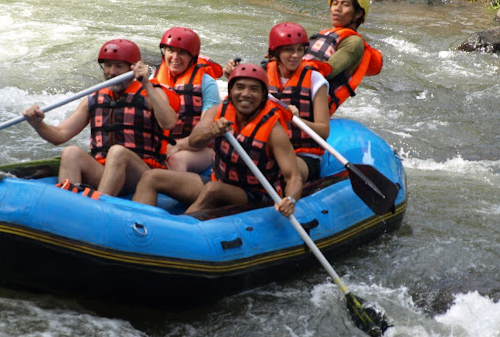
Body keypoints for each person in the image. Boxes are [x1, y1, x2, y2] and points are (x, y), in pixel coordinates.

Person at [133, 63, 303, 217]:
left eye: (254, 89)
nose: (246, 94)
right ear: (231, 90)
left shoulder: (274, 131)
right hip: (219, 181)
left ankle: (176, 231)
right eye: (240, 87)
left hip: (256, 195)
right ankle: (136, 226)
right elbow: (194, 142)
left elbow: (293, 176)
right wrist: (211, 132)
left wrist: (291, 200)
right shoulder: (223, 108)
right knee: (151, 177)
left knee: (214, 190)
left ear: (263, 95)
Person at [22, 39, 180, 197]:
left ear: (132, 69)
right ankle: (67, 203)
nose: (112, 72)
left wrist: (146, 83)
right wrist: (38, 124)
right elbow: (60, 135)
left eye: (119, 66)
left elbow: (169, 123)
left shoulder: (151, 93)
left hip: (140, 175)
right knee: (71, 152)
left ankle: (97, 206)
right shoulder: (94, 99)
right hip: (104, 173)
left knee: (118, 152)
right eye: (108, 65)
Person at [264, 22, 330, 183]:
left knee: (279, 170)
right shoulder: (263, 76)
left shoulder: (315, 80)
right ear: (276, 53)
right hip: (269, 150)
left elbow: (324, 130)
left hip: (303, 155)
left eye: (299, 49)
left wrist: (296, 120)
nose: (295, 55)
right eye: (289, 50)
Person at [303, 0, 383, 115]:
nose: (337, 9)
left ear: (358, 14)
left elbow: (328, 71)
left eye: (345, 5)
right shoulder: (321, 35)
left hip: (311, 107)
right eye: (335, 3)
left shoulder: (354, 42)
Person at [153, 27, 222, 173]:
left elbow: (206, 130)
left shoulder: (206, 82)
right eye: (170, 51)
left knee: (176, 159)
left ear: (193, 57)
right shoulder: (153, 78)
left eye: (182, 53)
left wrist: (177, 145)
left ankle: (178, 192)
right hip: (163, 144)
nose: (175, 57)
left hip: (199, 148)